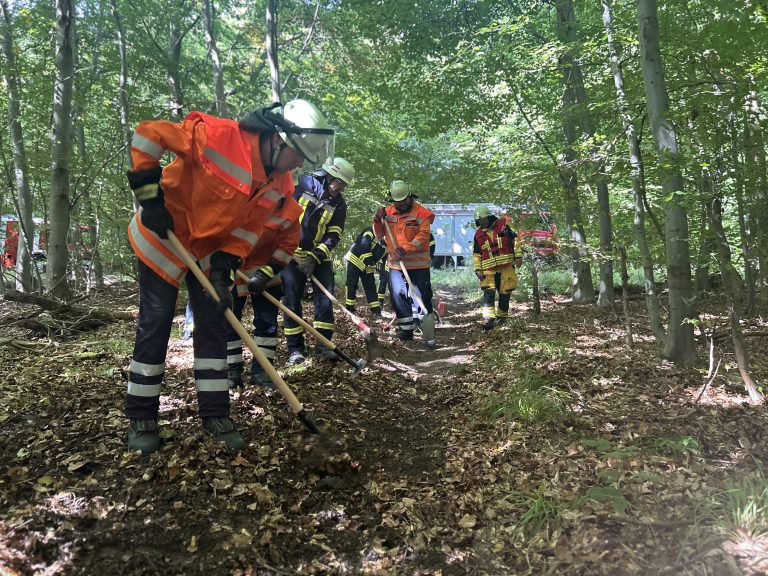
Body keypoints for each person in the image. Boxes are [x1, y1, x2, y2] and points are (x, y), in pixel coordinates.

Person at [124, 99, 334, 455]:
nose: (299, 164)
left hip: (208, 250)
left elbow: (249, 230)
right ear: (276, 140)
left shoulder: (279, 182)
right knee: (156, 321)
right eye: (296, 154)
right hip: (163, 234)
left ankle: (216, 415)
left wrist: (223, 271)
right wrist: (150, 196)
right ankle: (142, 418)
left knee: (213, 325)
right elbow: (147, 136)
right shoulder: (219, 136)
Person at [227, 181, 302, 393]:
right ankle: (232, 371)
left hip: (267, 272)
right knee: (231, 321)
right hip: (234, 269)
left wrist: (265, 273)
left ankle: (262, 371)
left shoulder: (290, 211)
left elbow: (288, 245)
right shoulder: (243, 196)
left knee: (267, 323)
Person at [282, 157, 353, 364]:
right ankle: (295, 349)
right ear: (329, 175)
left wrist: (315, 257)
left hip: (319, 257)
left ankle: (324, 345)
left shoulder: (339, 204)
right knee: (291, 301)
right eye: (339, 182)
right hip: (291, 254)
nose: (341, 188)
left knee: (325, 298)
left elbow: (334, 235)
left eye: (344, 185)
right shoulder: (302, 184)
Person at [373, 180, 437, 348]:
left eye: (403, 200)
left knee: (422, 296)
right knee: (397, 295)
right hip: (395, 265)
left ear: (409, 196)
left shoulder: (422, 213)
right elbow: (379, 233)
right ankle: (406, 330)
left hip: (418, 265)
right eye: (397, 201)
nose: (401, 204)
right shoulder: (387, 213)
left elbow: (423, 237)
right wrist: (378, 220)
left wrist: (405, 249)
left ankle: (427, 330)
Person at [472, 205, 523, 330]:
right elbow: (477, 254)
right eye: (479, 221)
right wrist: (478, 269)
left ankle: (502, 318)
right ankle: (488, 320)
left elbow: (515, 241)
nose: (482, 222)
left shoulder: (504, 227)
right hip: (488, 270)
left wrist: (518, 256)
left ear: (489, 217)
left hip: (506, 268)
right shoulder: (478, 235)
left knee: (505, 295)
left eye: (483, 219)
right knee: (488, 295)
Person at [343, 227, 386, 316]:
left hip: (368, 264)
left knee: (370, 286)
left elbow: (381, 257)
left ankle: (376, 310)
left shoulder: (386, 244)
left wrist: (372, 263)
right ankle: (350, 308)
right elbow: (364, 243)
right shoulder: (371, 230)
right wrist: (369, 260)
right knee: (352, 284)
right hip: (354, 260)